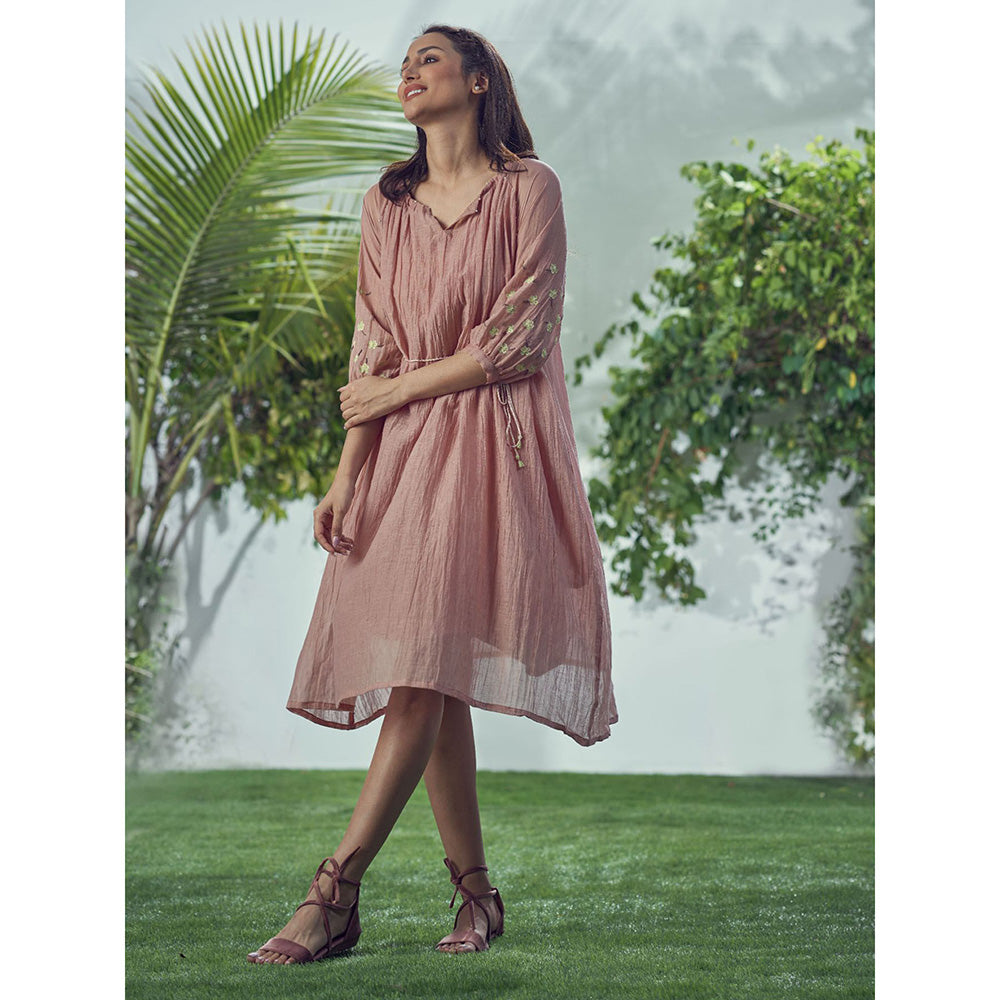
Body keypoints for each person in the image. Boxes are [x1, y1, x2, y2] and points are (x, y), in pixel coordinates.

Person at [247, 23, 617, 965]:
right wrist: (348, 473)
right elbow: (373, 343)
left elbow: (520, 338)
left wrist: (394, 392)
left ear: (480, 79)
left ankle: (334, 894)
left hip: (497, 448)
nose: (408, 73)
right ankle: (477, 898)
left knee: (423, 670)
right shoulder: (388, 201)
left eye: (430, 59)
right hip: (406, 454)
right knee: (432, 670)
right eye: (405, 63)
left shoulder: (529, 188)